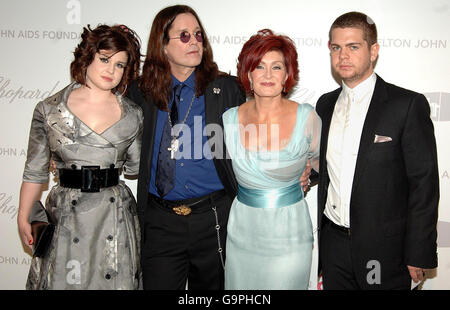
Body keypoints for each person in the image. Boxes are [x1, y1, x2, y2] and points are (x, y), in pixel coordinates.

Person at [316, 12, 439, 290]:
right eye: (336, 47)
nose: (343, 55)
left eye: (353, 46)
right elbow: (328, 166)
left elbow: (424, 184)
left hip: (385, 251)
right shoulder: (324, 105)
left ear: (374, 51)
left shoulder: (406, 105)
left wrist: (418, 252)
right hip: (334, 246)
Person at [126, 5, 246, 290]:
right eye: (183, 36)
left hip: (215, 218)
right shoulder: (140, 92)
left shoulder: (227, 89)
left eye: (198, 34)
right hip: (159, 223)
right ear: (163, 46)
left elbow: (262, 130)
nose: (194, 41)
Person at [17, 24, 143, 289]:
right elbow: (34, 171)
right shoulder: (49, 110)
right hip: (66, 214)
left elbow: (135, 166)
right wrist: (23, 215)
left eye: (120, 65)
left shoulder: (134, 114)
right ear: (88, 57)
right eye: (105, 59)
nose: (111, 70)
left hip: (114, 214)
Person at [223, 29, 321, 290]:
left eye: (276, 67)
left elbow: (323, 165)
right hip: (242, 231)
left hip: (290, 234)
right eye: (259, 67)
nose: (267, 75)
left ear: (287, 75)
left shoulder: (307, 118)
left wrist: (307, 175)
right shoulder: (228, 119)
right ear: (248, 74)